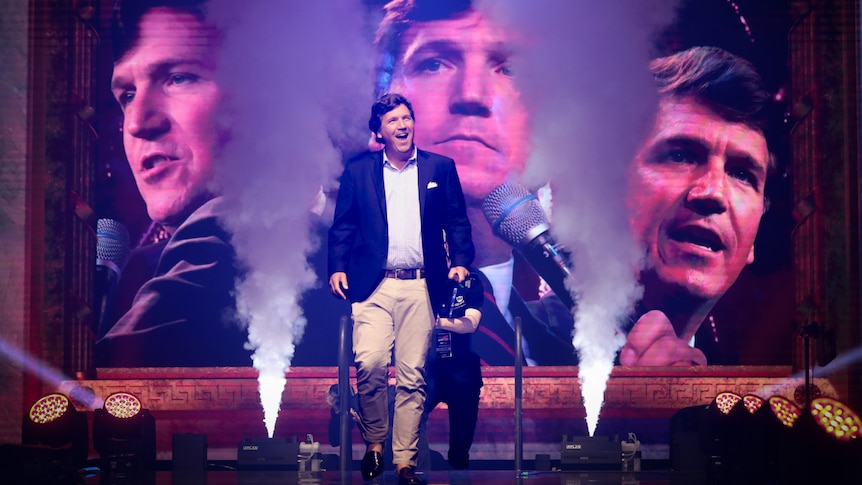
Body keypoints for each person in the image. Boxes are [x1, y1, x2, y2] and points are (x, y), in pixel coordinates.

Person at [375, 0, 577, 367]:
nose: (471, 94)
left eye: (511, 70)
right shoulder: (290, 305)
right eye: (433, 64)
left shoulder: (574, 359)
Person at [328, 93, 474, 484]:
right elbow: (343, 225)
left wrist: (460, 260)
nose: (402, 125)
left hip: (421, 286)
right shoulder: (359, 171)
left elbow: (457, 221)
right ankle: (375, 442)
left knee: (413, 376)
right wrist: (337, 267)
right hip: (372, 287)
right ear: (379, 132)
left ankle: (405, 460)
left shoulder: (439, 168)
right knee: (371, 364)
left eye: (407, 117)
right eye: (393, 120)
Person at [95, 0, 250, 366]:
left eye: (179, 78)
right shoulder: (131, 266)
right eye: (127, 96)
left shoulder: (233, 231)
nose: (137, 122)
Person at [619, 46, 775, 366]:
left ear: (754, 242)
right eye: (681, 155)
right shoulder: (511, 354)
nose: (714, 193)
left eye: (742, 174)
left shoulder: (747, 401)